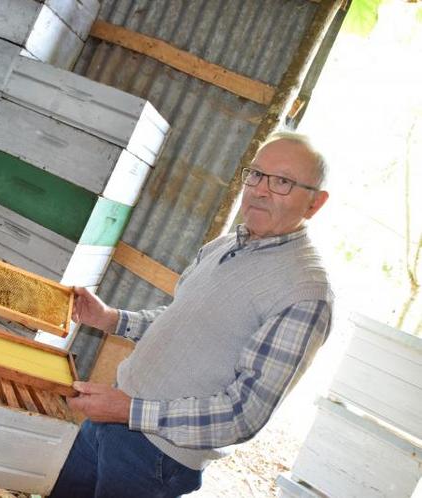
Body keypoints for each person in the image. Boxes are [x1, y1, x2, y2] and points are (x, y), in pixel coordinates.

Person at [50, 132, 333, 497]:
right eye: (257, 175)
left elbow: (243, 414)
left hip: (155, 460)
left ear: (315, 203)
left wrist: (131, 412)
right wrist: (111, 319)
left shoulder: (306, 292)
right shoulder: (226, 245)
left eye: (282, 182)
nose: (261, 190)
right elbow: (180, 322)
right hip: (110, 419)